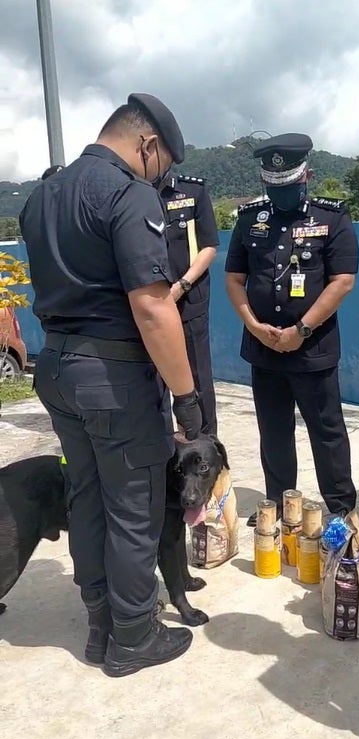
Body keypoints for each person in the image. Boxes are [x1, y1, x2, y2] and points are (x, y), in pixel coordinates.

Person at [19, 93, 202, 678]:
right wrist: (188, 398)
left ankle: (99, 624)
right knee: (133, 508)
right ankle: (133, 636)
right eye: (164, 163)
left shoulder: (41, 197)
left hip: (56, 371)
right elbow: (152, 309)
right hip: (113, 379)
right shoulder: (128, 193)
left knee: (88, 496)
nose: (163, 175)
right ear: (148, 144)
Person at [224, 133, 358, 527]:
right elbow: (235, 278)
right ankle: (279, 504)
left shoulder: (331, 217)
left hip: (312, 347)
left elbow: (342, 280)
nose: (280, 193)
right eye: (273, 187)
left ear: (307, 176)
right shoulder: (250, 219)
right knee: (274, 431)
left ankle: (340, 508)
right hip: (263, 347)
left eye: (288, 185)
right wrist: (253, 325)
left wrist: (301, 329)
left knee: (327, 431)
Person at [160, 172, 219, 434]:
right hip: (148, 304)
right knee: (154, 382)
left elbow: (209, 246)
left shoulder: (192, 191)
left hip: (189, 301)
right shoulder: (132, 190)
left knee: (198, 378)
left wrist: (182, 285)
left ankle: (206, 446)